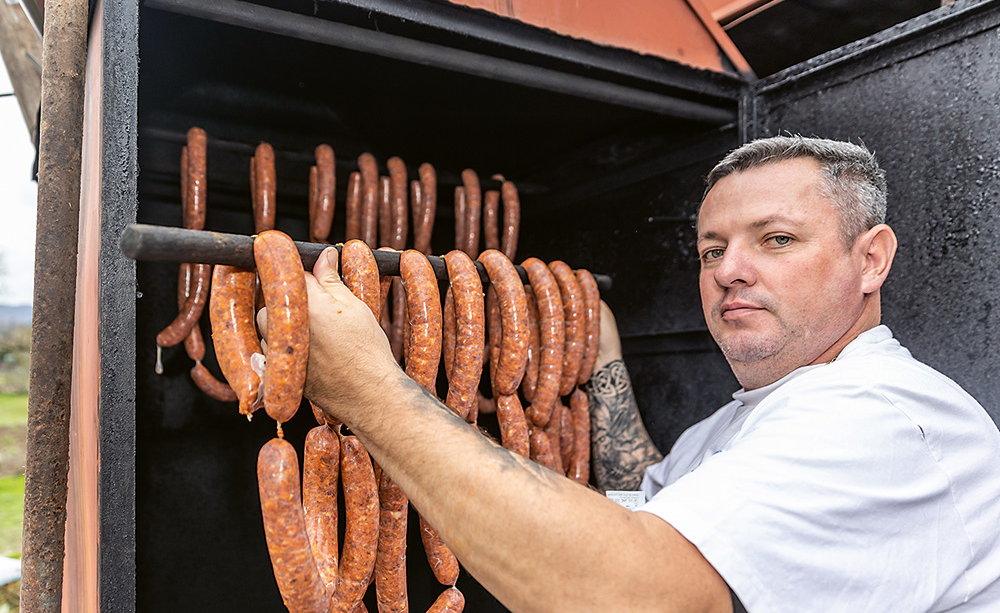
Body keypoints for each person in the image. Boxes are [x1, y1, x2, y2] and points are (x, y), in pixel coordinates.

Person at [274, 136, 1000, 612]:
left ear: (871, 258)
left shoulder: (881, 420)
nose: (730, 271)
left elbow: (625, 592)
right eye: (711, 250)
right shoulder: (753, 417)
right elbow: (643, 496)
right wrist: (605, 360)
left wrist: (371, 392)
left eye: (775, 239)